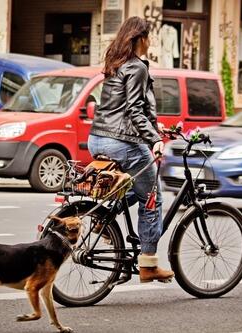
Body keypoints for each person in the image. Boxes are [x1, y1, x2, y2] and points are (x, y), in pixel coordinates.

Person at [88, 16, 174, 283]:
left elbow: (123, 107)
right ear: (140, 38)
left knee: (134, 188)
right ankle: (148, 264)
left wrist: (155, 126)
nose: (151, 43)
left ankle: (103, 216)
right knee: (153, 198)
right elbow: (133, 110)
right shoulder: (136, 67)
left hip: (98, 138)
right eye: (149, 37)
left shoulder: (115, 63)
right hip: (121, 142)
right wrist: (154, 140)